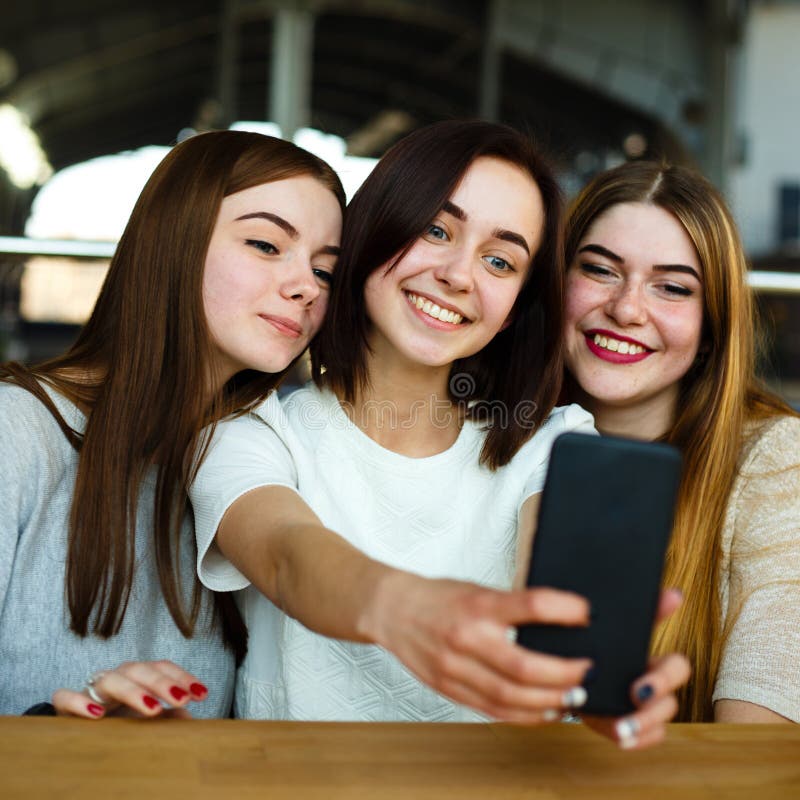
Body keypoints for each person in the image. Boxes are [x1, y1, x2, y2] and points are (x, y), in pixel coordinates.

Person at [190, 120, 689, 749]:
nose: (459, 274)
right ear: (376, 228)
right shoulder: (249, 432)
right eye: (436, 230)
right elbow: (287, 554)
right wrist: (407, 609)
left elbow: (560, 587)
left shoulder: (555, 444)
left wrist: (587, 678)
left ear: (516, 309)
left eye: (500, 260)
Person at [0, 130, 345, 718]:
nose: (306, 287)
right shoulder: (18, 431)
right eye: (265, 244)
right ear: (172, 242)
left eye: (326, 271)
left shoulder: (266, 457)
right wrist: (52, 727)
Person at [561, 160, 800, 723]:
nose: (626, 309)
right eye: (600, 270)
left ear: (710, 325)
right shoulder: (497, 433)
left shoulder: (774, 459)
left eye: (671, 287)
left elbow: (757, 743)